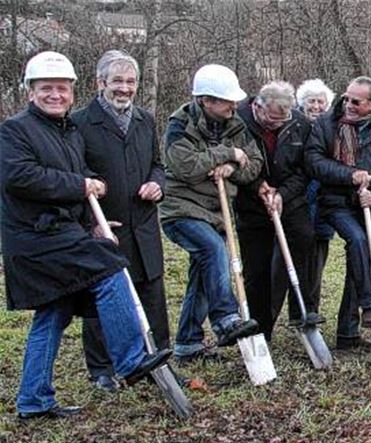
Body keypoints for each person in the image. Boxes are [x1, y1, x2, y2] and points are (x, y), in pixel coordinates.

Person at [1, 51, 171, 420]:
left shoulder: (66, 132)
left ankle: (33, 400)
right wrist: (81, 185)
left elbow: (76, 189)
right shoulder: (14, 130)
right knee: (109, 267)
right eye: (46, 88)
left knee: (53, 312)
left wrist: (91, 225)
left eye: (62, 89)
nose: (55, 95)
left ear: (73, 92)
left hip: (61, 234)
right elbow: (21, 178)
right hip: (34, 240)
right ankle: (130, 360)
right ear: (31, 92)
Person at [71, 50, 171, 392]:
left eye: (131, 82)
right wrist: (91, 223)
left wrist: (158, 184)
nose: (124, 89)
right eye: (117, 81)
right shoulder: (80, 123)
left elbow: (158, 165)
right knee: (104, 296)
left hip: (143, 222)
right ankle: (101, 369)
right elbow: (76, 174)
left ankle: (160, 360)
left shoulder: (145, 120)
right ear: (101, 83)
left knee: (152, 289)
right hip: (105, 224)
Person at [160, 64, 264, 362]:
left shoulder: (236, 125)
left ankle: (188, 344)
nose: (234, 105)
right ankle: (225, 318)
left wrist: (231, 169)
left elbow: (253, 163)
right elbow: (185, 166)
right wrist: (227, 154)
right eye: (226, 101)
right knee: (213, 250)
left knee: (203, 273)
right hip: (182, 209)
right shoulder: (180, 124)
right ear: (206, 100)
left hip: (217, 211)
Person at [306, 76, 371, 350]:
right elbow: (314, 161)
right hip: (334, 201)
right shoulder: (328, 124)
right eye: (347, 98)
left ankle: (347, 335)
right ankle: (369, 304)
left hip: (367, 205)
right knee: (359, 241)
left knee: (359, 262)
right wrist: (350, 175)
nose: (348, 104)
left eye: (356, 101)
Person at [235, 81, 319, 343]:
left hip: (290, 201)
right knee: (256, 268)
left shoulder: (300, 124)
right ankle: (261, 331)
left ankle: (304, 312)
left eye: (282, 120)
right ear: (258, 106)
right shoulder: (238, 121)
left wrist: (283, 194)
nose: (277, 126)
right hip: (252, 203)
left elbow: (304, 170)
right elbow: (234, 163)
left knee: (305, 241)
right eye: (272, 121)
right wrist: (257, 185)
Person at [295, 79, 336, 321]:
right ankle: (296, 310)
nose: (317, 106)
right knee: (295, 259)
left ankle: (312, 309)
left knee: (318, 259)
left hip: (323, 202)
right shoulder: (294, 126)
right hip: (297, 201)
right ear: (303, 103)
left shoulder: (333, 128)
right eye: (312, 101)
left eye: (321, 101)